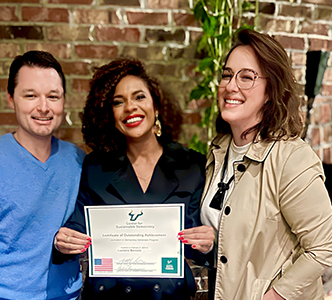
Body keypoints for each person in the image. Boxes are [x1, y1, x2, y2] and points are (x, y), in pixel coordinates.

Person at [195, 28, 332, 300]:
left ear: (270, 91)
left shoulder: (291, 158)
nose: (231, 86)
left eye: (247, 77)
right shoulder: (218, 150)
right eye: (227, 75)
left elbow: (324, 246)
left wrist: (273, 296)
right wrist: (211, 242)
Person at [53, 58, 214, 299]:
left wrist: (207, 243)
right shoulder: (95, 167)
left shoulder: (192, 166)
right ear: (110, 115)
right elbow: (78, 226)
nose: (130, 107)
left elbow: (199, 244)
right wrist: (63, 242)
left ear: (156, 106)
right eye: (119, 102)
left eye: (139, 97)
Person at [0, 51, 86, 300]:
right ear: (11, 99)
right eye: (30, 95)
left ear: (63, 101)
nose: (43, 107)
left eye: (53, 96)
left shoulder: (78, 161)